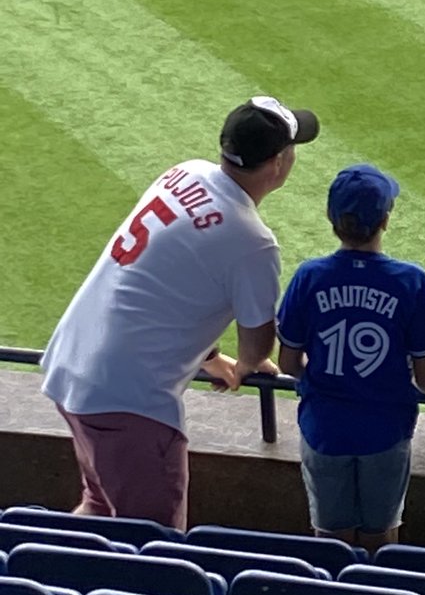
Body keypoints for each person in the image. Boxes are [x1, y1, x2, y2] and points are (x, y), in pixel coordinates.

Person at [41, 95, 320, 531]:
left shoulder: (185, 172)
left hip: (72, 364)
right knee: (153, 544)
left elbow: (163, 278)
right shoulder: (252, 242)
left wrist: (208, 358)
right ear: (280, 163)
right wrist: (246, 365)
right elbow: (257, 346)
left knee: (99, 507)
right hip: (127, 402)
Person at [277, 164, 425, 552]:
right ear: (385, 219)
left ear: (331, 218)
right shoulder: (410, 281)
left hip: (324, 428)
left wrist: (317, 383)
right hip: (385, 432)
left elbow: (287, 363)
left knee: (330, 543)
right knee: (381, 542)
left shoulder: (309, 276)